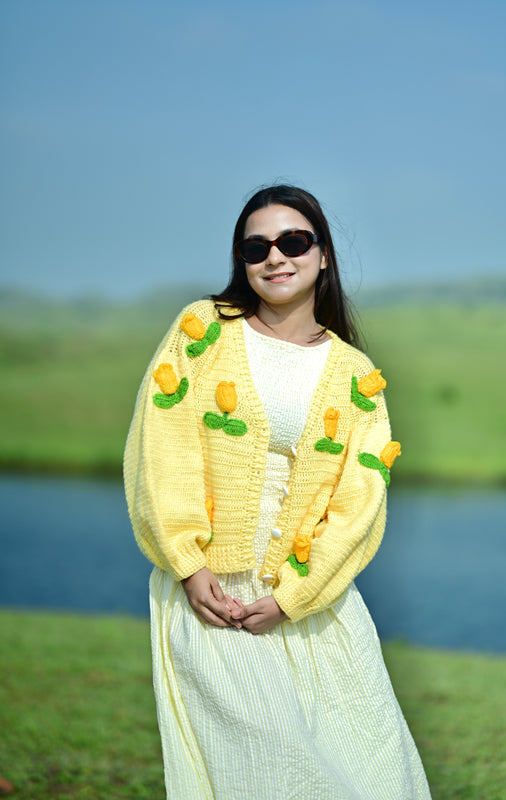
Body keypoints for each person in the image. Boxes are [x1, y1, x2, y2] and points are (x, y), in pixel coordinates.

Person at [124, 184, 432, 800]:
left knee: (369, 775)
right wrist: (186, 564)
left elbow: (360, 500)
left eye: (293, 241)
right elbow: (162, 446)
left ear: (324, 256)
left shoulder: (354, 375)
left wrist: (298, 596)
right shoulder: (202, 330)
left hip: (317, 604)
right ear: (241, 259)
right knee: (264, 775)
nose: (275, 257)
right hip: (215, 595)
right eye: (255, 246)